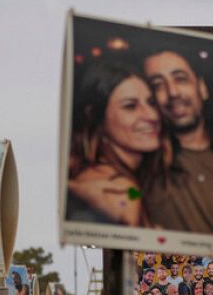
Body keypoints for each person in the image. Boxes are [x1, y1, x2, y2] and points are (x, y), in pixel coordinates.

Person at [66, 60, 164, 227]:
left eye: (151, 102)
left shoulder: (132, 184)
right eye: (130, 106)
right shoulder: (120, 190)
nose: (151, 115)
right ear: (96, 116)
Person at [142, 47, 213, 234]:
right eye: (158, 85)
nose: (173, 92)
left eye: (180, 78)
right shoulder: (147, 170)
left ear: (202, 87)